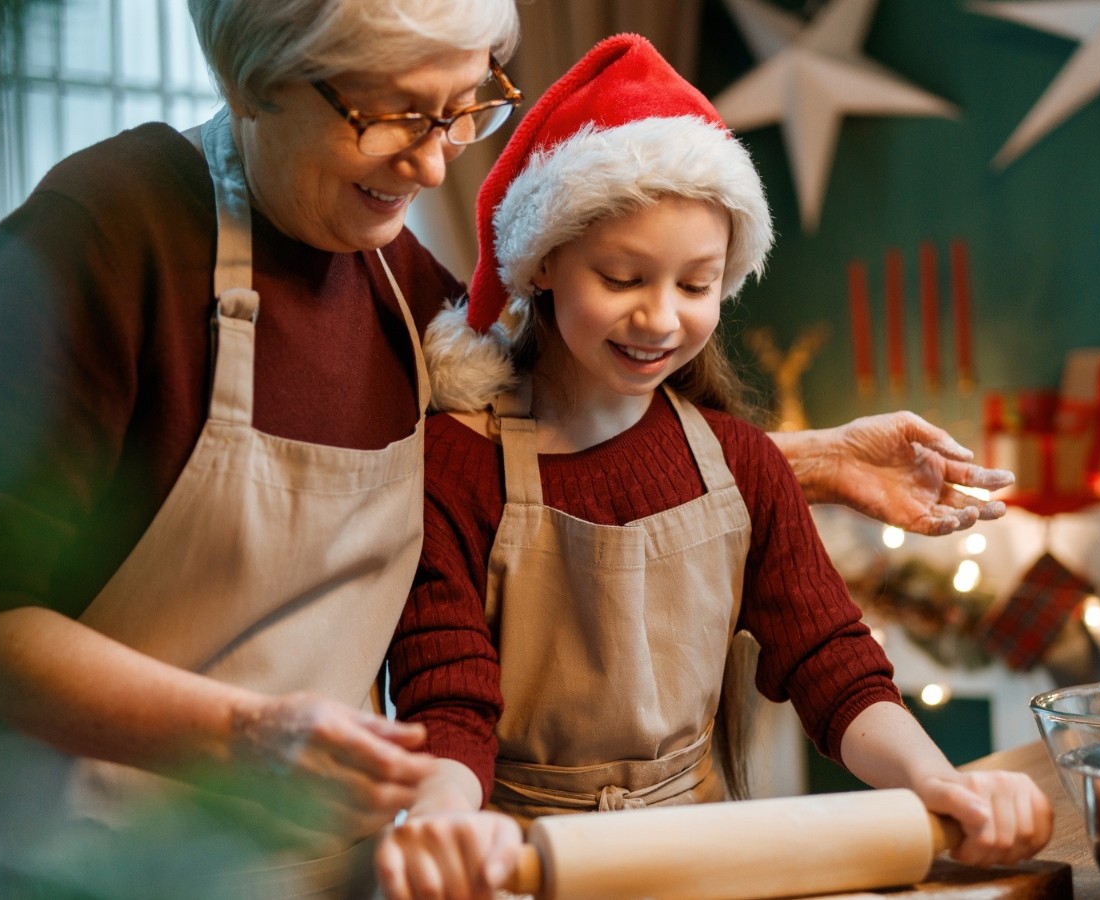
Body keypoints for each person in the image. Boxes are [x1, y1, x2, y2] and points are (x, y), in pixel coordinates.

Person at [0, 0, 1011, 895]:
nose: (434, 166)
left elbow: (577, 430)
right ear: (251, 81)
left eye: (465, 108)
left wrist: (801, 463)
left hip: (331, 861)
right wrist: (245, 732)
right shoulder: (106, 236)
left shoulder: (391, 272)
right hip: (96, 865)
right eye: (390, 114)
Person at [376, 34, 1052, 900]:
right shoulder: (455, 465)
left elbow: (834, 665)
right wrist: (439, 822)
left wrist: (937, 781)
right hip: (515, 866)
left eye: (696, 285)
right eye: (623, 277)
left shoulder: (740, 463)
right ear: (544, 261)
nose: (660, 318)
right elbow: (448, 697)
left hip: (706, 860)